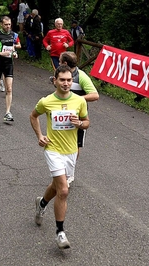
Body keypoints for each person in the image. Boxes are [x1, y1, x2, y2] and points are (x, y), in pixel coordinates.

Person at [29, 65, 89, 249]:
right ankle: (60, 232)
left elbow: (87, 123)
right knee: (63, 190)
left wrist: (79, 123)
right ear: (55, 80)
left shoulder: (79, 101)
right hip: (53, 149)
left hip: (71, 151)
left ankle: (42, 202)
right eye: (62, 80)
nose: (66, 83)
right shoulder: (46, 101)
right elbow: (33, 116)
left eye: (69, 80)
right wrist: (40, 136)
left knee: (56, 186)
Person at [58, 51, 99, 187]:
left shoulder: (81, 76)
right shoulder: (60, 74)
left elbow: (95, 95)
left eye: (59, 61)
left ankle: (70, 173)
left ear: (65, 63)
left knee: (76, 145)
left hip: (78, 116)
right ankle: (60, 169)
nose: (58, 63)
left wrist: (77, 99)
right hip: (61, 114)